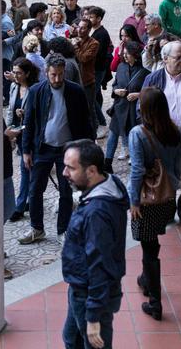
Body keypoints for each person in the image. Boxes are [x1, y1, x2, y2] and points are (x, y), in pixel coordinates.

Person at [60, 139, 128, 347]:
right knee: (71, 337)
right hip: (81, 287)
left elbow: (100, 265)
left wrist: (93, 317)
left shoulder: (97, 213)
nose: (64, 173)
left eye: (71, 168)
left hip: (90, 294)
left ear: (91, 171)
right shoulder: (109, 183)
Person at [19, 55, 93, 244]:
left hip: (67, 150)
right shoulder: (36, 91)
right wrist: (26, 151)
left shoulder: (76, 91)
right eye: (53, 75)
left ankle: (63, 229)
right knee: (35, 190)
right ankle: (37, 228)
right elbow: (29, 122)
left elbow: (86, 121)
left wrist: (87, 151)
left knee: (66, 192)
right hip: (42, 148)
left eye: (60, 75)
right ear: (46, 72)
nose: (57, 79)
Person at [128, 88, 181, 320]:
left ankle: (155, 302)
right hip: (168, 197)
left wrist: (133, 201)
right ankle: (145, 279)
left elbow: (137, 170)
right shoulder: (174, 131)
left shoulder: (138, 133)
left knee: (149, 248)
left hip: (148, 200)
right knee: (152, 243)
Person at [105, 41, 149, 173]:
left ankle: (137, 164)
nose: (124, 56)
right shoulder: (121, 67)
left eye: (127, 54)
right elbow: (115, 84)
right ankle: (107, 163)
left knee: (133, 137)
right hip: (120, 107)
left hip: (133, 111)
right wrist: (116, 91)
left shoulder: (144, 72)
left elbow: (150, 92)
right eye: (123, 54)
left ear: (135, 55)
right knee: (113, 135)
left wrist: (139, 95)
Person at [5, 59, 39, 222]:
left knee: (26, 168)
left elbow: (38, 115)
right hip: (17, 133)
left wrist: (25, 114)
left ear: (27, 73)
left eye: (18, 73)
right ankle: (26, 200)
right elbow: (10, 110)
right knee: (26, 168)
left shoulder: (35, 89)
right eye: (14, 72)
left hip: (30, 134)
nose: (15, 76)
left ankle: (20, 205)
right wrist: (9, 130)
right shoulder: (13, 87)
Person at [141, 41, 181, 128]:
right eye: (178, 58)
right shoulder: (152, 79)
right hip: (162, 134)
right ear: (165, 59)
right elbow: (142, 107)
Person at [72, 17, 101, 135]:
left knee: (89, 109)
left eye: (83, 28)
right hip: (75, 80)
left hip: (87, 81)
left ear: (89, 30)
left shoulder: (94, 43)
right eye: (79, 27)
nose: (80, 30)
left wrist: (75, 46)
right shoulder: (74, 40)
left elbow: (83, 58)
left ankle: (92, 134)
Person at [87, 6, 113, 135]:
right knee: (95, 96)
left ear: (99, 18)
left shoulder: (102, 33)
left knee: (91, 97)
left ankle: (102, 123)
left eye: (91, 17)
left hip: (98, 69)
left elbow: (99, 54)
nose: (89, 19)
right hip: (92, 69)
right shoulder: (92, 30)